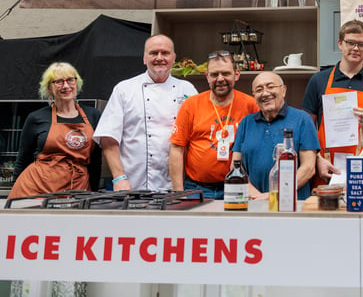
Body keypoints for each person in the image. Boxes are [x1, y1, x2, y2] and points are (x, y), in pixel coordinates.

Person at [93, 34, 197, 191]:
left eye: (165, 53)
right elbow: (108, 138)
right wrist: (119, 178)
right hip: (131, 184)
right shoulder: (124, 89)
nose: (159, 58)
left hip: (177, 186)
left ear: (174, 58)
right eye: (154, 53)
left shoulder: (187, 89)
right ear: (144, 58)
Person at [302, 20, 363, 184]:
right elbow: (306, 129)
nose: (356, 48)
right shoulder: (318, 81)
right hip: (326, 165)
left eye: (362, 44)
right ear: (340, 44)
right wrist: (317, 159)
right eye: (350, 42)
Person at [168, 51, 258, 199]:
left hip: (238, 185)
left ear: (236, 74)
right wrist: (179, 193)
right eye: (215, 74)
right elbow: (177, 149)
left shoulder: (251, 105)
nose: (220, 79)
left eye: (226, 73)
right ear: (207, 77)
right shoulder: (191, 105)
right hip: (197, 188)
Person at [9, 62, 101, 198]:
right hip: (36, 188)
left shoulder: (93, 115)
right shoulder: (36, 118)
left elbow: (96, 160)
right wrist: (15, 196)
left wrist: (93, 193)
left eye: (70, 80)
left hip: (77, 188)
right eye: (58, 81)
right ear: (49, 88)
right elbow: (23, 158)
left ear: (77, 83)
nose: (66, 86)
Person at [232, 72, 319, 200]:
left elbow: (308, 168)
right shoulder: (246, 123)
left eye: (270, 87)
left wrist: (272, 196)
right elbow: (235, 166)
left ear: (283, 90)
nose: (265, 93)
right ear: (254, 96)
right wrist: (256, 196)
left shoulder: (302, 119)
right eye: (259, 90)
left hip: (291, 205)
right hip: (253, 203)